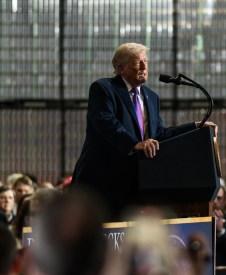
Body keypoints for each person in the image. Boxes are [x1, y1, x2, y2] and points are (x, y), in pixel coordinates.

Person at [70, 43, 213, 216]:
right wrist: (134, 144)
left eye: (146, 61)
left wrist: (195, 127)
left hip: (137, 184)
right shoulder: (104, 88)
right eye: (139, 62)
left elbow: (159, 134)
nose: (145, 67)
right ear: (121, 68)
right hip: (102, 182)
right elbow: (106, 123)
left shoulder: (151, 97)